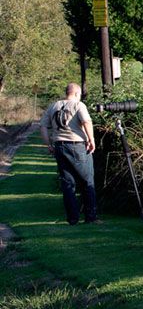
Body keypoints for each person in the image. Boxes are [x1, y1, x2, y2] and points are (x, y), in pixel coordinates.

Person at [40, 83, 98, 225]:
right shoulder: (79, 105)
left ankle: (73, 218)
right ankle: (90, 217)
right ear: (77, 93)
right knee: (87, 181)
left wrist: (49, 144)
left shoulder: (53, 106)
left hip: (59, 145)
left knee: (68, 184)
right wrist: (92, 140)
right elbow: (87, 122)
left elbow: (43, 126)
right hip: (76, 145)